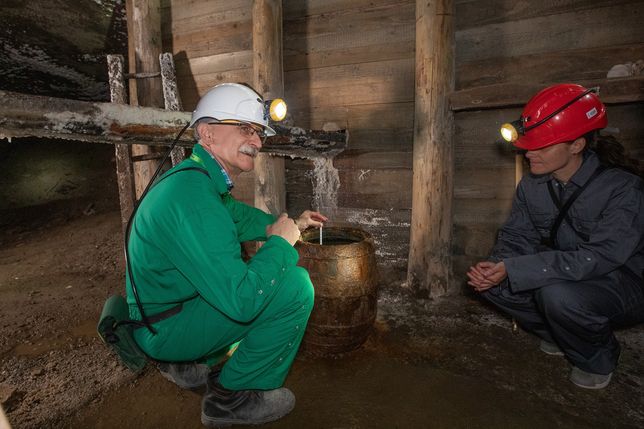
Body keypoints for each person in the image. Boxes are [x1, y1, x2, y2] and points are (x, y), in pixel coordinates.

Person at [125, 83, 327, 426]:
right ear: (207, 133)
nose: (258, 141)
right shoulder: (194, 198)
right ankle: (232, 399)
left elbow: (236, 216)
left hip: (161, 314)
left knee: (253, 276)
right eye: (245, 128)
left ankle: (184, 364)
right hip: (164, 328)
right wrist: (280, 244)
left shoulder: (197, 180)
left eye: (259, 132)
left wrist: (288, 224)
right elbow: (242, 301)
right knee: (293, 285)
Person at [467, 83, 644, 389]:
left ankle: (598, 356)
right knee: (491, 285)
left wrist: (519, 269)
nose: (529, 153)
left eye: (543, 146)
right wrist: (497, 264)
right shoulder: (532, 185)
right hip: (566, 274)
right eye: (528, 143)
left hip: (622, 282)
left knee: (557, 295)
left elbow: (600, 258)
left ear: (576, 145)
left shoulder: (623, 189)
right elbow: (516, 235)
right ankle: (563, 335)